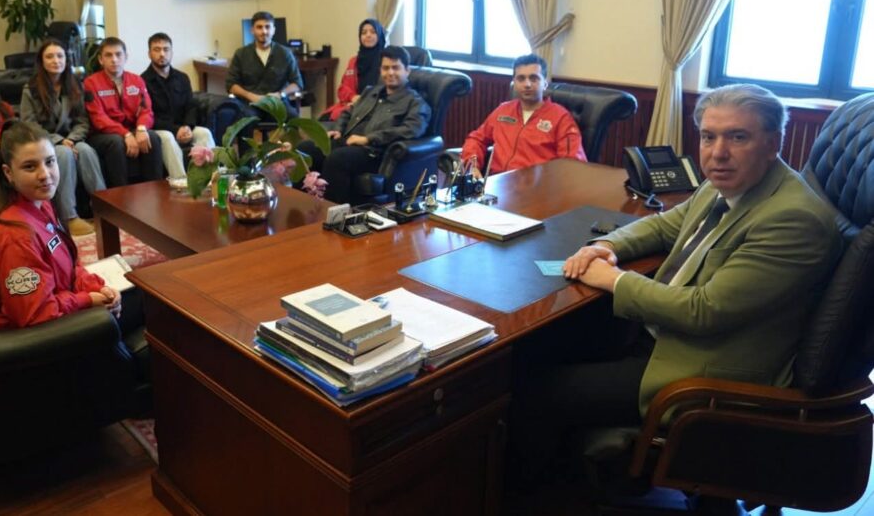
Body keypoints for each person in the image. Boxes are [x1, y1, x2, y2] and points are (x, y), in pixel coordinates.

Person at [509, 84, 844, 490]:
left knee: (538, 391)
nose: (718, 152)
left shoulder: (792, 219)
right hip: (660, 332)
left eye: (738, 137)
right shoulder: (726, 182)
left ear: (773, 144)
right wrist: (606, 246)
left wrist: (615, 279)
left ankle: (522, 493)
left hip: (700, 366)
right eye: (708, 137)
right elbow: (664, 225)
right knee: (528, 347)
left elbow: (702, 311)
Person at [0, 121, 143, 332]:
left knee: (140, 293)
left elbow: (68, 267)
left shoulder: (40, 202)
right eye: (30, 167)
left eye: (49, 162)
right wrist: (87, 300)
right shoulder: (15, 237)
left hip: (55, 300)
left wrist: (96, 286)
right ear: (8, 173)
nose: (45, 174)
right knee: (150, 306)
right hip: (17, 336)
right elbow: (35, 314)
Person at [298, 46, 430, 204]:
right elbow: (348, 112)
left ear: (407, 71)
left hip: (374, 151)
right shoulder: (370, 92)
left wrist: (369, 138)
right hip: (347, 141)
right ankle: (300, 204)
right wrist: (338, 130)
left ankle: (333, 212)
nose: (390, 73)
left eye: (396, 68)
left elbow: (412, 129)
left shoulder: (415, 102)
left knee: (336, 159)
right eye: (385, 68)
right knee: (304, 149)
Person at [19, 39, 105, 236]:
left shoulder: (75, 86)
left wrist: (72, 139)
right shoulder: (31, 89)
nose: (56, 60)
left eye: (60, 56)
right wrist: (59, 140)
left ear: (67, 59)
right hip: (43, 142)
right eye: (49, 56)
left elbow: (83, 121)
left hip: (72, 139)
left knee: (86, 151)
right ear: (41, 61)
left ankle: (104, 208)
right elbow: (29, 124)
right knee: (63, 153)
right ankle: (69, 217)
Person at [460, 53, 585, 176]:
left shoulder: (561, 117)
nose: (527, 84)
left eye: (533, 78)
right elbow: (476, 139)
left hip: (537, 186)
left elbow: (572, 164)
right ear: (514, 83)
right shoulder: (503, 111)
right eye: (521, 79)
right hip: (496, 183)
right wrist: (472, 167)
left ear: (545, 83)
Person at [83, 37, 165, 186]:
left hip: (131, 129)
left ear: (125, 57)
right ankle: (120, 195)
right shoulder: (91, 83)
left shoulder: (137, 80)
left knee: (152, 137)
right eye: (108, 55)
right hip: (102, 135)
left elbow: (146, 110)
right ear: (101, 60)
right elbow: (98, 118)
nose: (114, 59)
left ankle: (155, 190)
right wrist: (125, 134)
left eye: (118, 54)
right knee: (116, 142)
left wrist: (141, 128)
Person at [216, 11, 303, 139]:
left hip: (277, 103)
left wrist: (280, 94)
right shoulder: (241, 54)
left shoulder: (285, 53)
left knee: (293, 117)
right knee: (244, 120)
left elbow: (298, 83)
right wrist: (250, 96)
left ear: (273, 30)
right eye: (259, 27)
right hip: (250, 104)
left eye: (268, 27)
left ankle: (291, 151)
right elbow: (231, 84)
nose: (264, 31)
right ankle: (247, 153)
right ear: (252, 30)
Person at [140, 32, 215, 181]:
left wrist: (187, 126)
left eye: (166, 49)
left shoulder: (182, 78)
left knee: (204, 133)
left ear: (172, 52)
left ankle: (208, 178)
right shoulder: (142, 81)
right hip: (160, 130)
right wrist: (176, 130)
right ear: (149, 54)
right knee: (168, 138)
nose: (162, 54)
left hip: (184, 127)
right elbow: (149, 115)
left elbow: (191, 106)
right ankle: (181, 181)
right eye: (157, 49)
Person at [321, 19, 386, 121]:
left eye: (373, 32)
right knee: (323, 119)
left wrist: (364, 100)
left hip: (374, 107)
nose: (368, 35)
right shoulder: (354, 61)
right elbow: (342, 88)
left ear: (380, 35)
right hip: (352, 104)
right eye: (364, 33)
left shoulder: (386, 61)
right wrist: (353, 97)